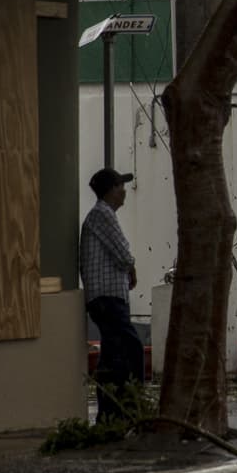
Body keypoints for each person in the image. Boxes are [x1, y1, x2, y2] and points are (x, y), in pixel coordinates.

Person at [79, 167, 145, 424]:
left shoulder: (99, 216)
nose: (125, 191)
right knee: (131, 348)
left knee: (112, 354)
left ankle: (110, 413)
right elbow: (123, 253)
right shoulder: (102, 215)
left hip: (105, 297)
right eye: (120, 186)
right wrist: (132, 267)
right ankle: (133, 405)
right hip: (107, 297)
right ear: (110, 190)